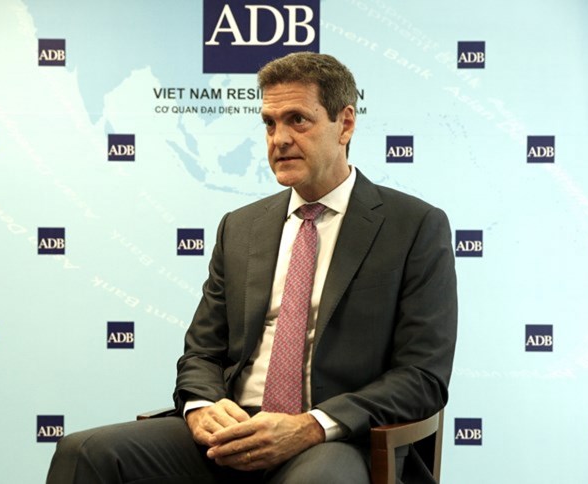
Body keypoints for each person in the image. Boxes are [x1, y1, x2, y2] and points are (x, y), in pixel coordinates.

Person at [47, 52, 457, 484]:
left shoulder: (413, 226)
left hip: (334, 439)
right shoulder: (241, 227)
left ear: (346, 124)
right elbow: (202, 352)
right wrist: (202, 406)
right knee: (84, 453)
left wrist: (311, 425)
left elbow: (422, 377)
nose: (279, 139)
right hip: (233, 429)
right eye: (269, 123)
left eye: (297, 120)